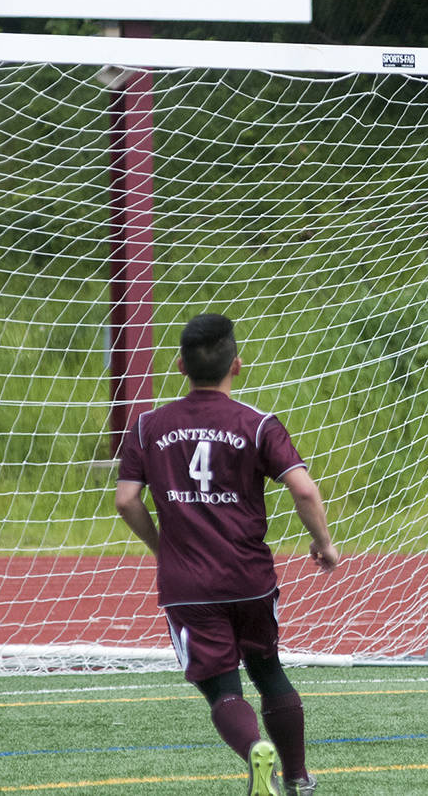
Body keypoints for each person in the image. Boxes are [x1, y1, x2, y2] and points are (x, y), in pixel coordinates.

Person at [114, 314, 339, 796]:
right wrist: (323, 542)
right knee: (267, 668)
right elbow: (303, 490)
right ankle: (298, 777)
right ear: (236, 365)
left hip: (188, 585)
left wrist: (162, 548)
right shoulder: (257, 425)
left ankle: (256, 751)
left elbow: (126, 500)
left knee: (221, 688)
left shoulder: (148, 425)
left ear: (179, 365)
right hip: (249, 578)